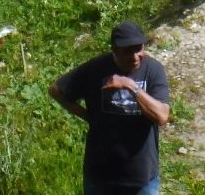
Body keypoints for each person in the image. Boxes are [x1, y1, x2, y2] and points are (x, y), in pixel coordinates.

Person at [50, 21, 170, 195]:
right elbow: (56, 90)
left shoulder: (153, 70)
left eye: (139, 49)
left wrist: (130, 86)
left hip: (141, 176)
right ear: (114, 50)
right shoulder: (96, 69)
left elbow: (162, 116)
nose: (135, 57)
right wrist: (88, 116)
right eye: (127, 51)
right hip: (100, 174)